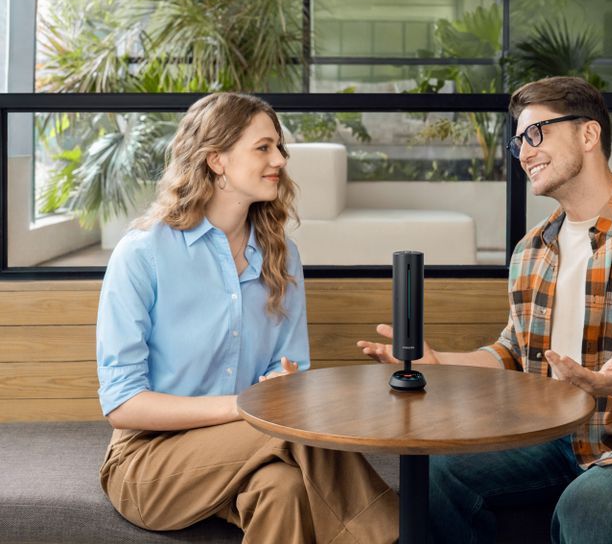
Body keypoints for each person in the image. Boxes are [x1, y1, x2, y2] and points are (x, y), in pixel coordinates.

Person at [358, 76, 612, 544]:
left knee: (589, 510)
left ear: (588, 134)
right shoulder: (533, 249)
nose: (523, 151)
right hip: (552, 439)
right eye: (518, 140)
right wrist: (442, 364)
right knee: (434, 474)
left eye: (536, 134)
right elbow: (514, 354)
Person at [97, 92, 398, 544]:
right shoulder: (144, 253)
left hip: (251, 446)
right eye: (263, 147)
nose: (279, 158)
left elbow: (288, 379)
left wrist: (281, 382)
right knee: (292, 432)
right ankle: (405, 531)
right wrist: (245, 405)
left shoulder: (282, 255)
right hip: (148, 461)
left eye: (279, 147)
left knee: (285, 489)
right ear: (216, 160)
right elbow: (123, 406)